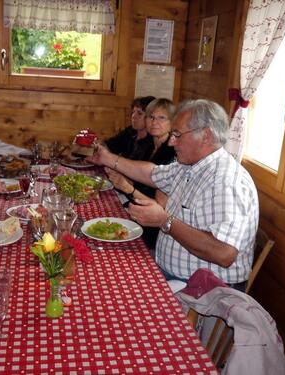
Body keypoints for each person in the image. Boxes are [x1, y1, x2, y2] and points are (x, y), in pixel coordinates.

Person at [88, 99, 259, 290]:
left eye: (177, 134)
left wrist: (165, 221)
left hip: (202, 291)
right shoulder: (190, 166)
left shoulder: (226, 181)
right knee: (102, 270)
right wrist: (108, 158)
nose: (171, 141)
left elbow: (224, 253)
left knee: (110, 287)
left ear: (206, 136)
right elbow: (151, 173)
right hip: (170, 273)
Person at [106, 98, 176, 249]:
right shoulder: (149, 145)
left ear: (172, 122)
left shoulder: (171, 154)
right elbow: (138, 183)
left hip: (153, 232)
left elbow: (160, 208)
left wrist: (127, 188)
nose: (154, 122)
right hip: (135, 213)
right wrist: (121, 177)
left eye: (161, 118)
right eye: (151, 117)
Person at [104, 96, 156, 160]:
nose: (133, 116)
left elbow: (138, 166)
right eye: (133, 112)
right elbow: (110, 146)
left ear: (151, 117)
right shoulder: (130, 131)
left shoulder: (153, 141)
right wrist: (94, 144)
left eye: (139, 113)